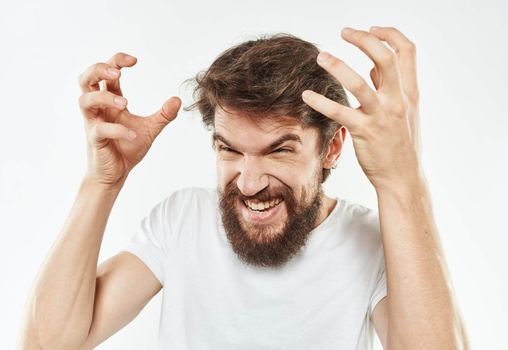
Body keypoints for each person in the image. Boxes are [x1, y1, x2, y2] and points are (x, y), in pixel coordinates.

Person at [17, 26, 469, 349]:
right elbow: (47, 343)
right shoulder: (183, 221)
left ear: (332, 150)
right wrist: (103, 182)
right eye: (230, 150)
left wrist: (401, 181)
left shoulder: (371, 242)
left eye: (279, 151)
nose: (250, 184)